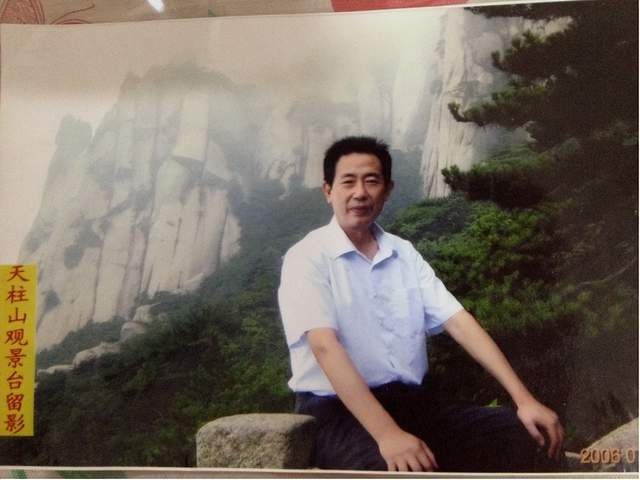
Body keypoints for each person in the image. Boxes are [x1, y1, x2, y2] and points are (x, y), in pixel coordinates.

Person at [277, 136, 564, 472]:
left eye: (372, 181)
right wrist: (388, 435)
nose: (360, 193)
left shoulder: (403, 253)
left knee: (525, 433)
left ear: (388, 190)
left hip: (414, 406)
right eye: (348, 182)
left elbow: (459, 321)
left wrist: (524, 399)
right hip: (339, 412)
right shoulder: (307, 256)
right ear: (328, 191)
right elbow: (324, 346)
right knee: (393, 470)